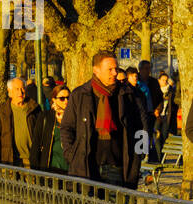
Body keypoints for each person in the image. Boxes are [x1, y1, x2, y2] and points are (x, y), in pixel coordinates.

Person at [61, 50, 146, 189]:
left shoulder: (128, 94)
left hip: (118, 167)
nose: (115, 73)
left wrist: (138, 157)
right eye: (110, 69)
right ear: (96, 70)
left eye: (116, 68)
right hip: (87, 167)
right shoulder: (80, 95)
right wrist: (71, 155)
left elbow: (141, 127)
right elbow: (67, 128)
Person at [0, 77, 42, 168]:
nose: (20, 92)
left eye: (22, 88)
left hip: (31, 160)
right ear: (10, 92)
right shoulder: (2, 110)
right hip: (9, 161)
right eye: (17, 89)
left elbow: (41, 132)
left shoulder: (34, 108)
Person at [32, 83, 71, 174]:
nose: (66, 101)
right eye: (62, 98)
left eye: (68, 98)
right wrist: (36, 170)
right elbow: (36, 143)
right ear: (54, 99)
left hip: (70, 169)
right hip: (49, 168)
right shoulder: (45, 117)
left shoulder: (74, 117)